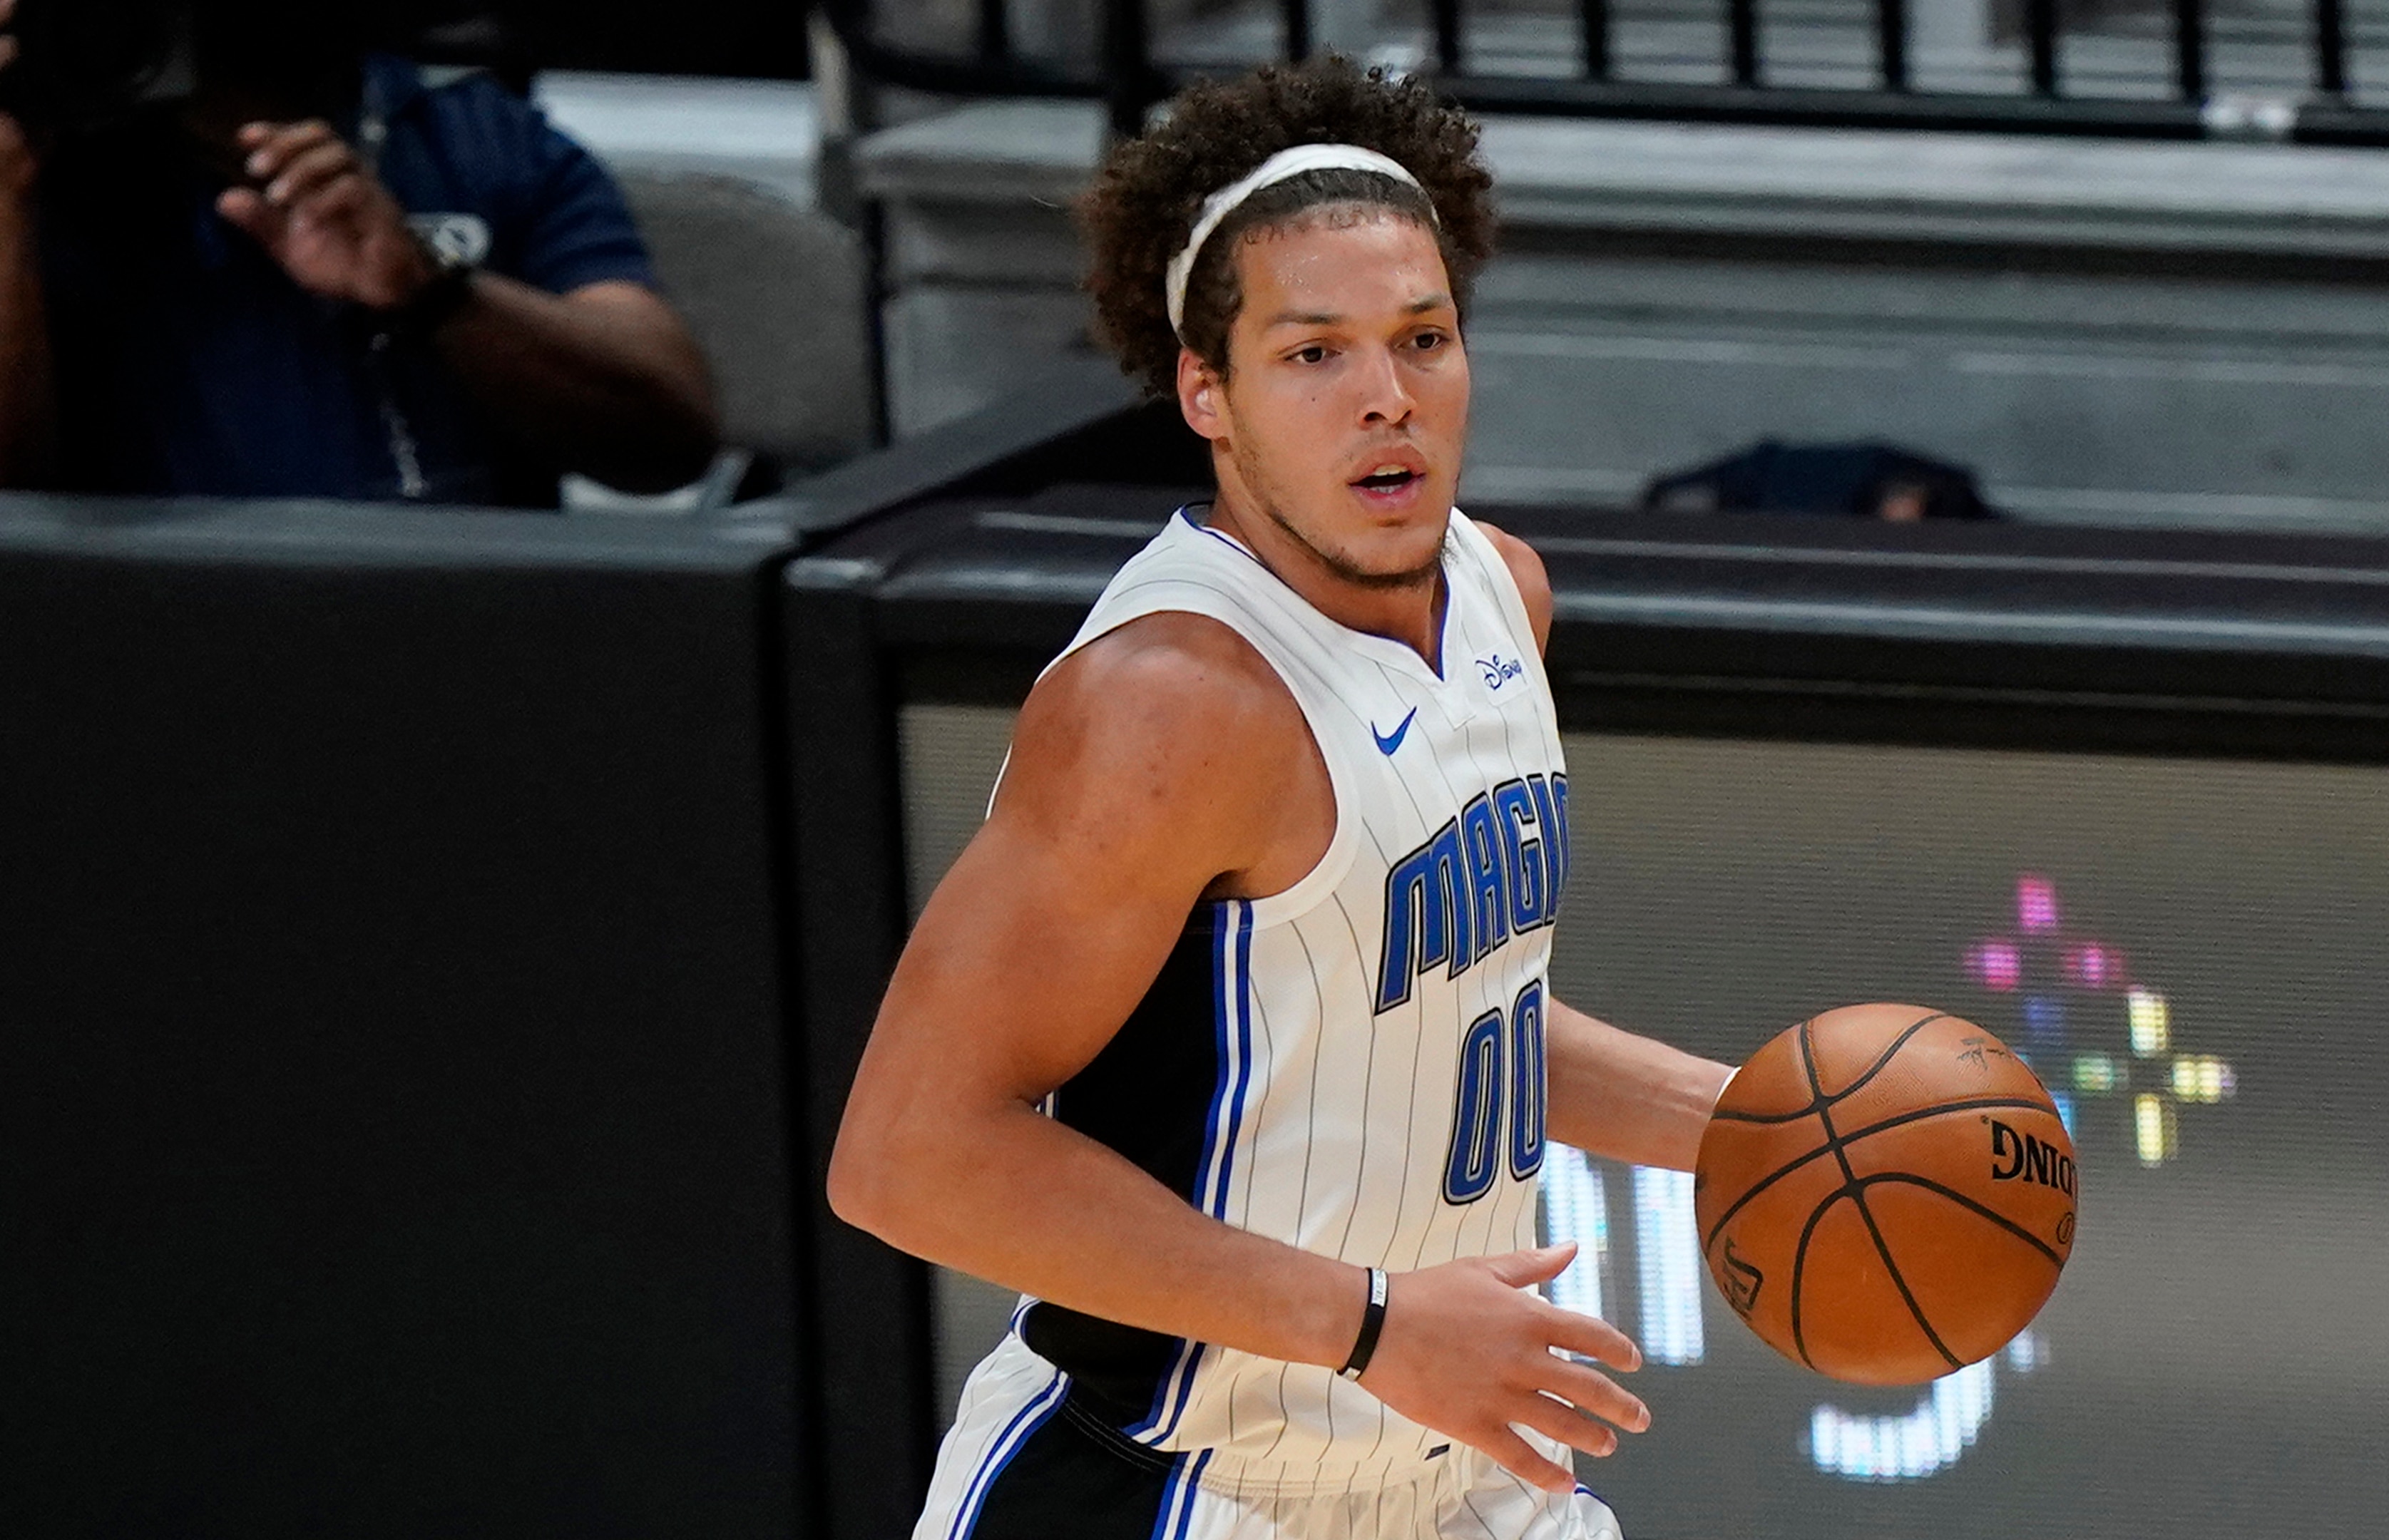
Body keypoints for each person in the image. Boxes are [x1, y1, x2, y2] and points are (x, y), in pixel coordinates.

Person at [827, 58, 1736, 1540]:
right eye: (1315, 353)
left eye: (1421, 338)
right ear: (1209, 390)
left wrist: (1751, 1124)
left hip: (1456, 1479)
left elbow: (1417, 1011)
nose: (1387, 397)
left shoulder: (1503, 593)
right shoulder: (1170, 704)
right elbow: (911, 1156)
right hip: (1179, 1485)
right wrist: (1377, 1325)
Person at [0, 0, 717, 505]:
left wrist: (437, 295)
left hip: (464, 648)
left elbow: (670, 437)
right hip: (138, 656)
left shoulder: (475, 137)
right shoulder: (45, 166)